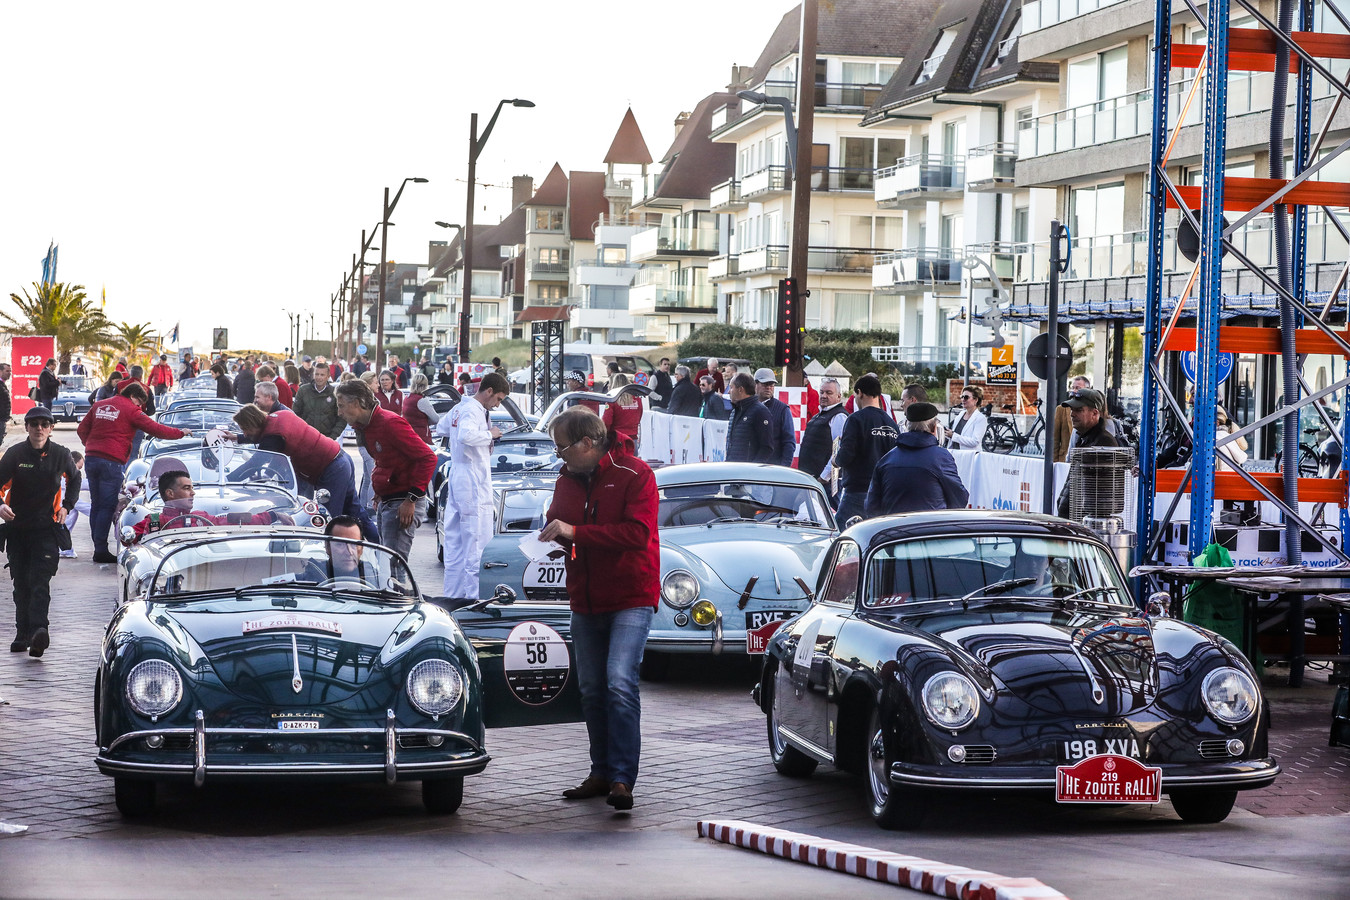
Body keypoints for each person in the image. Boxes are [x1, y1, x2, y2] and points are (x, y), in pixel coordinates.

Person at [541, 407, 658, 812]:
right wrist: (552, 539)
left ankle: (622, 778)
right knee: (591, 688)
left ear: (587, 443)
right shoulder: (566, 478)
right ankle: (601, 772)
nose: (559, 455)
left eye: (562, 447)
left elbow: (637, 534)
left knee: (619, 682)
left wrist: (575, 533)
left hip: (630, 595)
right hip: (586, 596)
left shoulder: (636, 474)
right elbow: (558, 523)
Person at [0, 406, 80, 656]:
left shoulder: (60, 454)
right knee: (21, 582)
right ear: (26, 427)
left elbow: (75, 478)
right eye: (34, 424)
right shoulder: (15, 454)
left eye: (44, 424)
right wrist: (1, 505)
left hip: (47, 529)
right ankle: (22, 633)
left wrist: (67, 506)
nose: (39, 428)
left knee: (39, 581)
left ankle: (38, 632)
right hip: (17, 529)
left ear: (51, 428)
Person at [77, 382, 188, 562]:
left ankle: (98, 546)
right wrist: (180, 433)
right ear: (133, 397)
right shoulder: (131, 410)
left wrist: (91, 445)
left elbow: (81, 429)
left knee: (96, 504)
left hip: (92, 459)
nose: (140, 407)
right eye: (139, 403)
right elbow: (156, 429)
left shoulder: (99, 406)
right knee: (106, 506)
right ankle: (100, 551)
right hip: (111, 462)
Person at [231, 403, 371, 536]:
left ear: (252, 422)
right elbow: (264, 437)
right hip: (340, 459)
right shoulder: (279, 416)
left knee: (329, 522)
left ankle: (329, 552)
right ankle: (377, 544)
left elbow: (254, 463)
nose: (245, 433)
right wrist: (238, 438)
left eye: (245, 429)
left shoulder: (273, 436)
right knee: (355, 511)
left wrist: (228, 480)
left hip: (331, 468)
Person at [335, 378, 435, 561]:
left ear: (356, 403)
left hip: (402, 501)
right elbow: (385, 460)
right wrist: (381, 489)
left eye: (341, 406)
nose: (339, 412)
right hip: (390, 499)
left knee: (393, 564)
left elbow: (428, 458)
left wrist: (411, 499)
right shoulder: (368, 426)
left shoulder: (390, 423)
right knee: (386, 562)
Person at [438, 372, 510, 599]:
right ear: (489, 391)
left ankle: (453, 596)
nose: (497, 405)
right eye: (498, 399)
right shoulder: (472, 410)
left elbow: (441, 427)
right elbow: (465, 436)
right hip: (471, 477)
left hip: (459, 475)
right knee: (476, 542)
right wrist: (490, 434)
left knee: (455, 543)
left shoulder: (460, 408)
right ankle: (473, 599)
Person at [866, 402, 969, 517]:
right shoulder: (941, 458)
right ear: (934, 428)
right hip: (928, 526)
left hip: (894, 526)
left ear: (907, 425)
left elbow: (871, 506)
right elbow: (959, 498)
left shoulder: (887, 459)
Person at [130, 469, 287, 540]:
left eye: (192, 488)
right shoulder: (155, 520)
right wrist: (140, 536)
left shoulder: (201, 517)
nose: (193, 493)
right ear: (170, 494)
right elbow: (129, 538)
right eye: (187, 488)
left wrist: (273, 515)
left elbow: (234, 520)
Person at [834, 374, 900, 526]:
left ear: (860, 393)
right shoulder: (892, 424)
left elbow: (846, 455)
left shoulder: (855, 419)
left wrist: (835, 460)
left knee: (841, 533)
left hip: (858, 491)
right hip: (884, 493)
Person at [1056, 388, 1121, 518]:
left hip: (1086, 521)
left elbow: (1098, 495)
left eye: (1079, 410)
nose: (1072, 414)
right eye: (1072, 410)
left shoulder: (1103, 442)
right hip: (1075, 518)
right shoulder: (1084, 438)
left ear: (1095, 413)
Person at [797, 378, 848, 501]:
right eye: (822, 392)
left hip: (825, 484)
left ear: (838, 396)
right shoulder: (818, 415)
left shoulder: (839, 417)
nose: (824, 396)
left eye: (829, 393)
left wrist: (824, 477)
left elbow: (839, 451)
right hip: (811, 479)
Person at [725, 372, 777, 464]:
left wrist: (752, 469)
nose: (729, 392)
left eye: (731, 387)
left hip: (748, 470)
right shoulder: (735, 412)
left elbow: (767, 447)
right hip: (732, 468)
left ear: (740, 390)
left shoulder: (760, 411)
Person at [753, 368, 796, 466]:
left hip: (773, 466)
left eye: (771, 385)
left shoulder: (783, 409)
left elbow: (789, 442)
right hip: (749, 465)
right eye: (765, 384)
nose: (768, 388)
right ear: (755, 384)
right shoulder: (747, 406)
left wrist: (784, 468)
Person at [292, 362, 345, 440]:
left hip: (327, 438)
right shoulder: (303, 390)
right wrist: (301, 432)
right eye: (317, 374)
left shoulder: (335, 393)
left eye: (322, 375)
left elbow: (341, 418)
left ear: (328, 376)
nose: (319, 377)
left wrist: (333, 436)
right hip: (306, 437)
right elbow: (295, 414)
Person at [60, 451, 90, 559]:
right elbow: (80, 504)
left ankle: (63, 547)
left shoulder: (63, 474)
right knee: (71, 512)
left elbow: (84, 483)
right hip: (59, 507)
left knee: (72, 512)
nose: (79, 472)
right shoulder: (65, 478)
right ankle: (63, 548)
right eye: (79, 467)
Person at [402, 372, 442, 445]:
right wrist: (425, 421)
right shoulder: (422, 400)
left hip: (408, 436)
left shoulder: (407, 398)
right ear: (425, 385)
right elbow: (436, 419)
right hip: (421, 438)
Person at [947, 385, 989, 451]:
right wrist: (946, 433)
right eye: (962, 397)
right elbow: (954, 435)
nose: (963, 399)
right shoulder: (960, 414)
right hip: (954, 453)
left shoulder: (980, 418)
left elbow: (975, 441)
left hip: (969, 455)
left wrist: (953, 436)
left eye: (966, 397)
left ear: (976, 400)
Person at [603, 374, 643, 442]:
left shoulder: (612, 401)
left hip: (616, 439)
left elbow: (606, 421)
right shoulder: (637, 399)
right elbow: (639, 417)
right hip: (633, 438)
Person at [0, 362, 11, 444]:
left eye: (10, 371)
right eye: (7, 371)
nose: (9, 373)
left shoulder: (2, 384)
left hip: (2, 418)